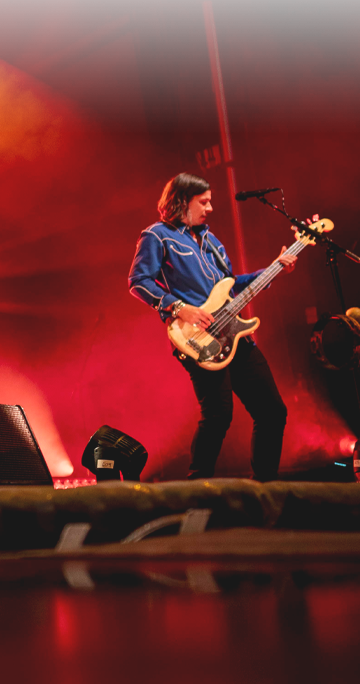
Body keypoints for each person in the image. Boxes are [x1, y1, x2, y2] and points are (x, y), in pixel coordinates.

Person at [127, 173, 298, 480]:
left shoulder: (211, 241)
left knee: (272, 412)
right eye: (203, 202)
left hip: (235, 335)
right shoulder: (157, 236)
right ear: (181, 202)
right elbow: (138, 282)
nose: (210, 208)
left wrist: (275, 270)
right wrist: (179, 307)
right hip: (196, 337)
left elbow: (231, 287)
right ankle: (197, 488)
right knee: (218, 416)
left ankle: (265, 488)